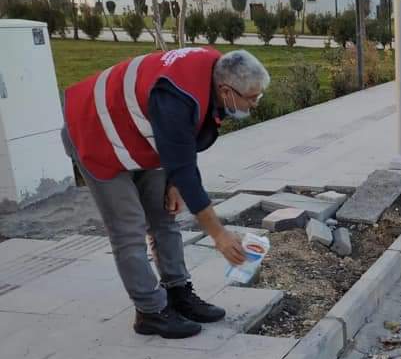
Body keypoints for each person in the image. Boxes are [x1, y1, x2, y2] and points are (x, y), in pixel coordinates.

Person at [61, 47, 270, 339]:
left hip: (140, 136)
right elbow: (185, 168)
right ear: (226, 91)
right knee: (128, 228)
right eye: (252, 98)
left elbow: (182, 148)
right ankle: (150, 312)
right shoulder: (176, 97)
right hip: (95, 134)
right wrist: (219, 235)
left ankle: (178, 292)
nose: (256, 104)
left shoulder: (220, 67)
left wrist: (173, 183)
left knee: (165, 214)